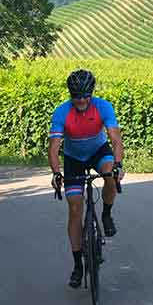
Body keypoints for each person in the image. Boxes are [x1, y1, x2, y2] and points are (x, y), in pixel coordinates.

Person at [48, 69, 124, 288]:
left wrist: (118, 164)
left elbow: (115, 139)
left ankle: (107, 214)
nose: (81, 100)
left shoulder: (103, 107)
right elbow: (54, 148)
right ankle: (77, 265)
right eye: (76, 96)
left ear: (91, 93)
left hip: (99, 150)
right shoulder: (62, 112)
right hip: (73, 158)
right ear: (70, 95)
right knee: (74, 210)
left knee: (111, 176)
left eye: (85, 96)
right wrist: (55, 173)